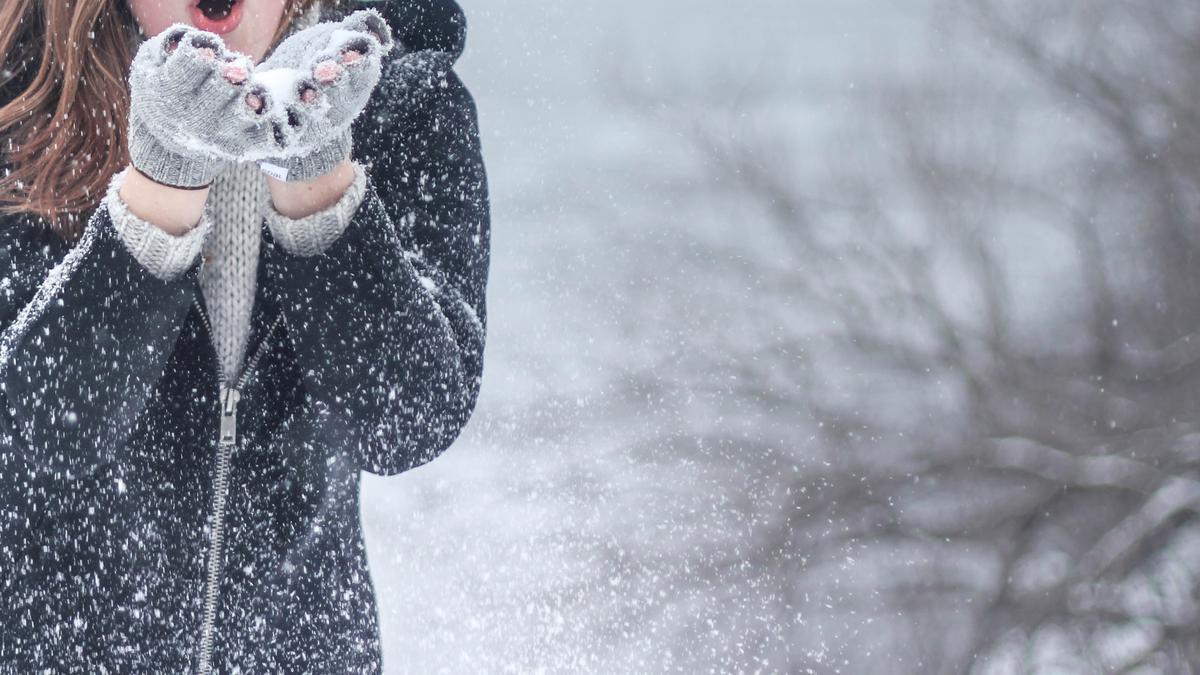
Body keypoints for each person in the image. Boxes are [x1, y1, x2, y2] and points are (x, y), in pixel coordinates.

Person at [0, 0, 489, 671]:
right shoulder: (19, 95)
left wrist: (317, 172)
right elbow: (28, 437)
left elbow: (409, 419)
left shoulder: (405, 101)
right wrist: (162, 183)